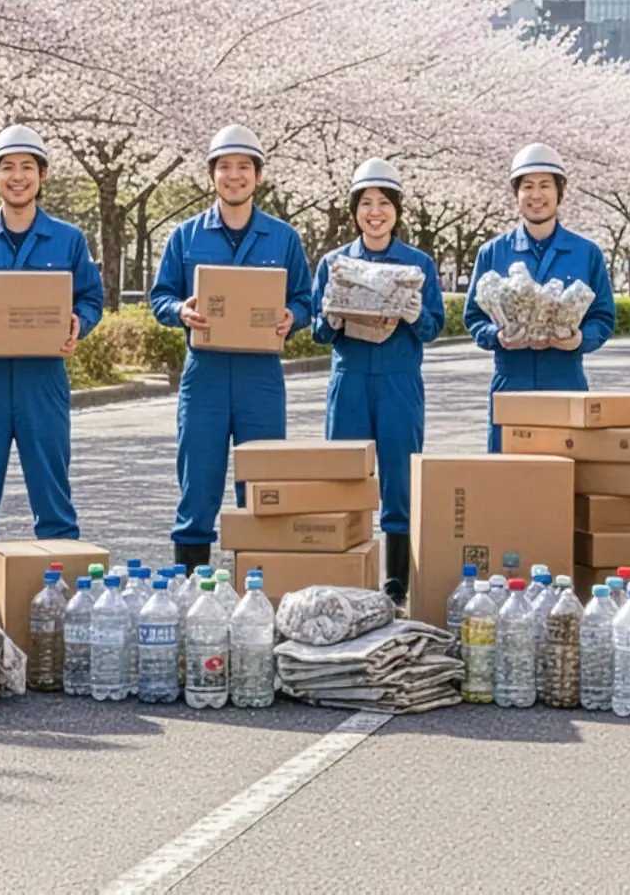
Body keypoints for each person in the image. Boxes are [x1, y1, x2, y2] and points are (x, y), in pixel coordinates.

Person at [0, 125, 105, 555]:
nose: (17, 176)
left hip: (43, 378)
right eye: (7, 167)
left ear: (42, 175)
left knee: (52, 492)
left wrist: (76, 324)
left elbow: (91, 298)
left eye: (27, 167)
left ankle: (57, 593)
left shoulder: (68, 239)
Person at [148, 124, 311, 568]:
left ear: (258, 177)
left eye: (243, 167)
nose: (233, 176)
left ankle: (256, 584)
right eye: (224, 167)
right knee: (197, 484)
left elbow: (306, 299)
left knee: (261, 484)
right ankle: (187, 586)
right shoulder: (186, 236)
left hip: (261, 378)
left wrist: (292, 316)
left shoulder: (283, 238)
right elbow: (159, 296)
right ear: (212, 175)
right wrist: (179, 311)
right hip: (204, 374)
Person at [312, 158, 445, 599]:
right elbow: (318, 332)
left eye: (384, 203)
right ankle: (347, 575)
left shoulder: (417, 263)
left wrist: (414, 312)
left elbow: (434, 327)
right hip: (349, 379)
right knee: (344, 477)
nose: (375, 212)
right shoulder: (334, 263)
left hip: (398, 380)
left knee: (399, 480)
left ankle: (396, 582)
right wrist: (330, 315)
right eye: (366, 203)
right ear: (353, 211)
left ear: (397, 210)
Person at [464, 143, 617, 451]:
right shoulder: (493, 252)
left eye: (545, 185)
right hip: (511, 379)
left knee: (569, 477)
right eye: (527, 186)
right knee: (509, 476)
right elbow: (473, 317)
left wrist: (579, 340)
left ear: (559, 192)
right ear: (516, 194)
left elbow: (603, 317)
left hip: (566, 378)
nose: (536, 195)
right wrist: (497, 335)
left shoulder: (586, 252)